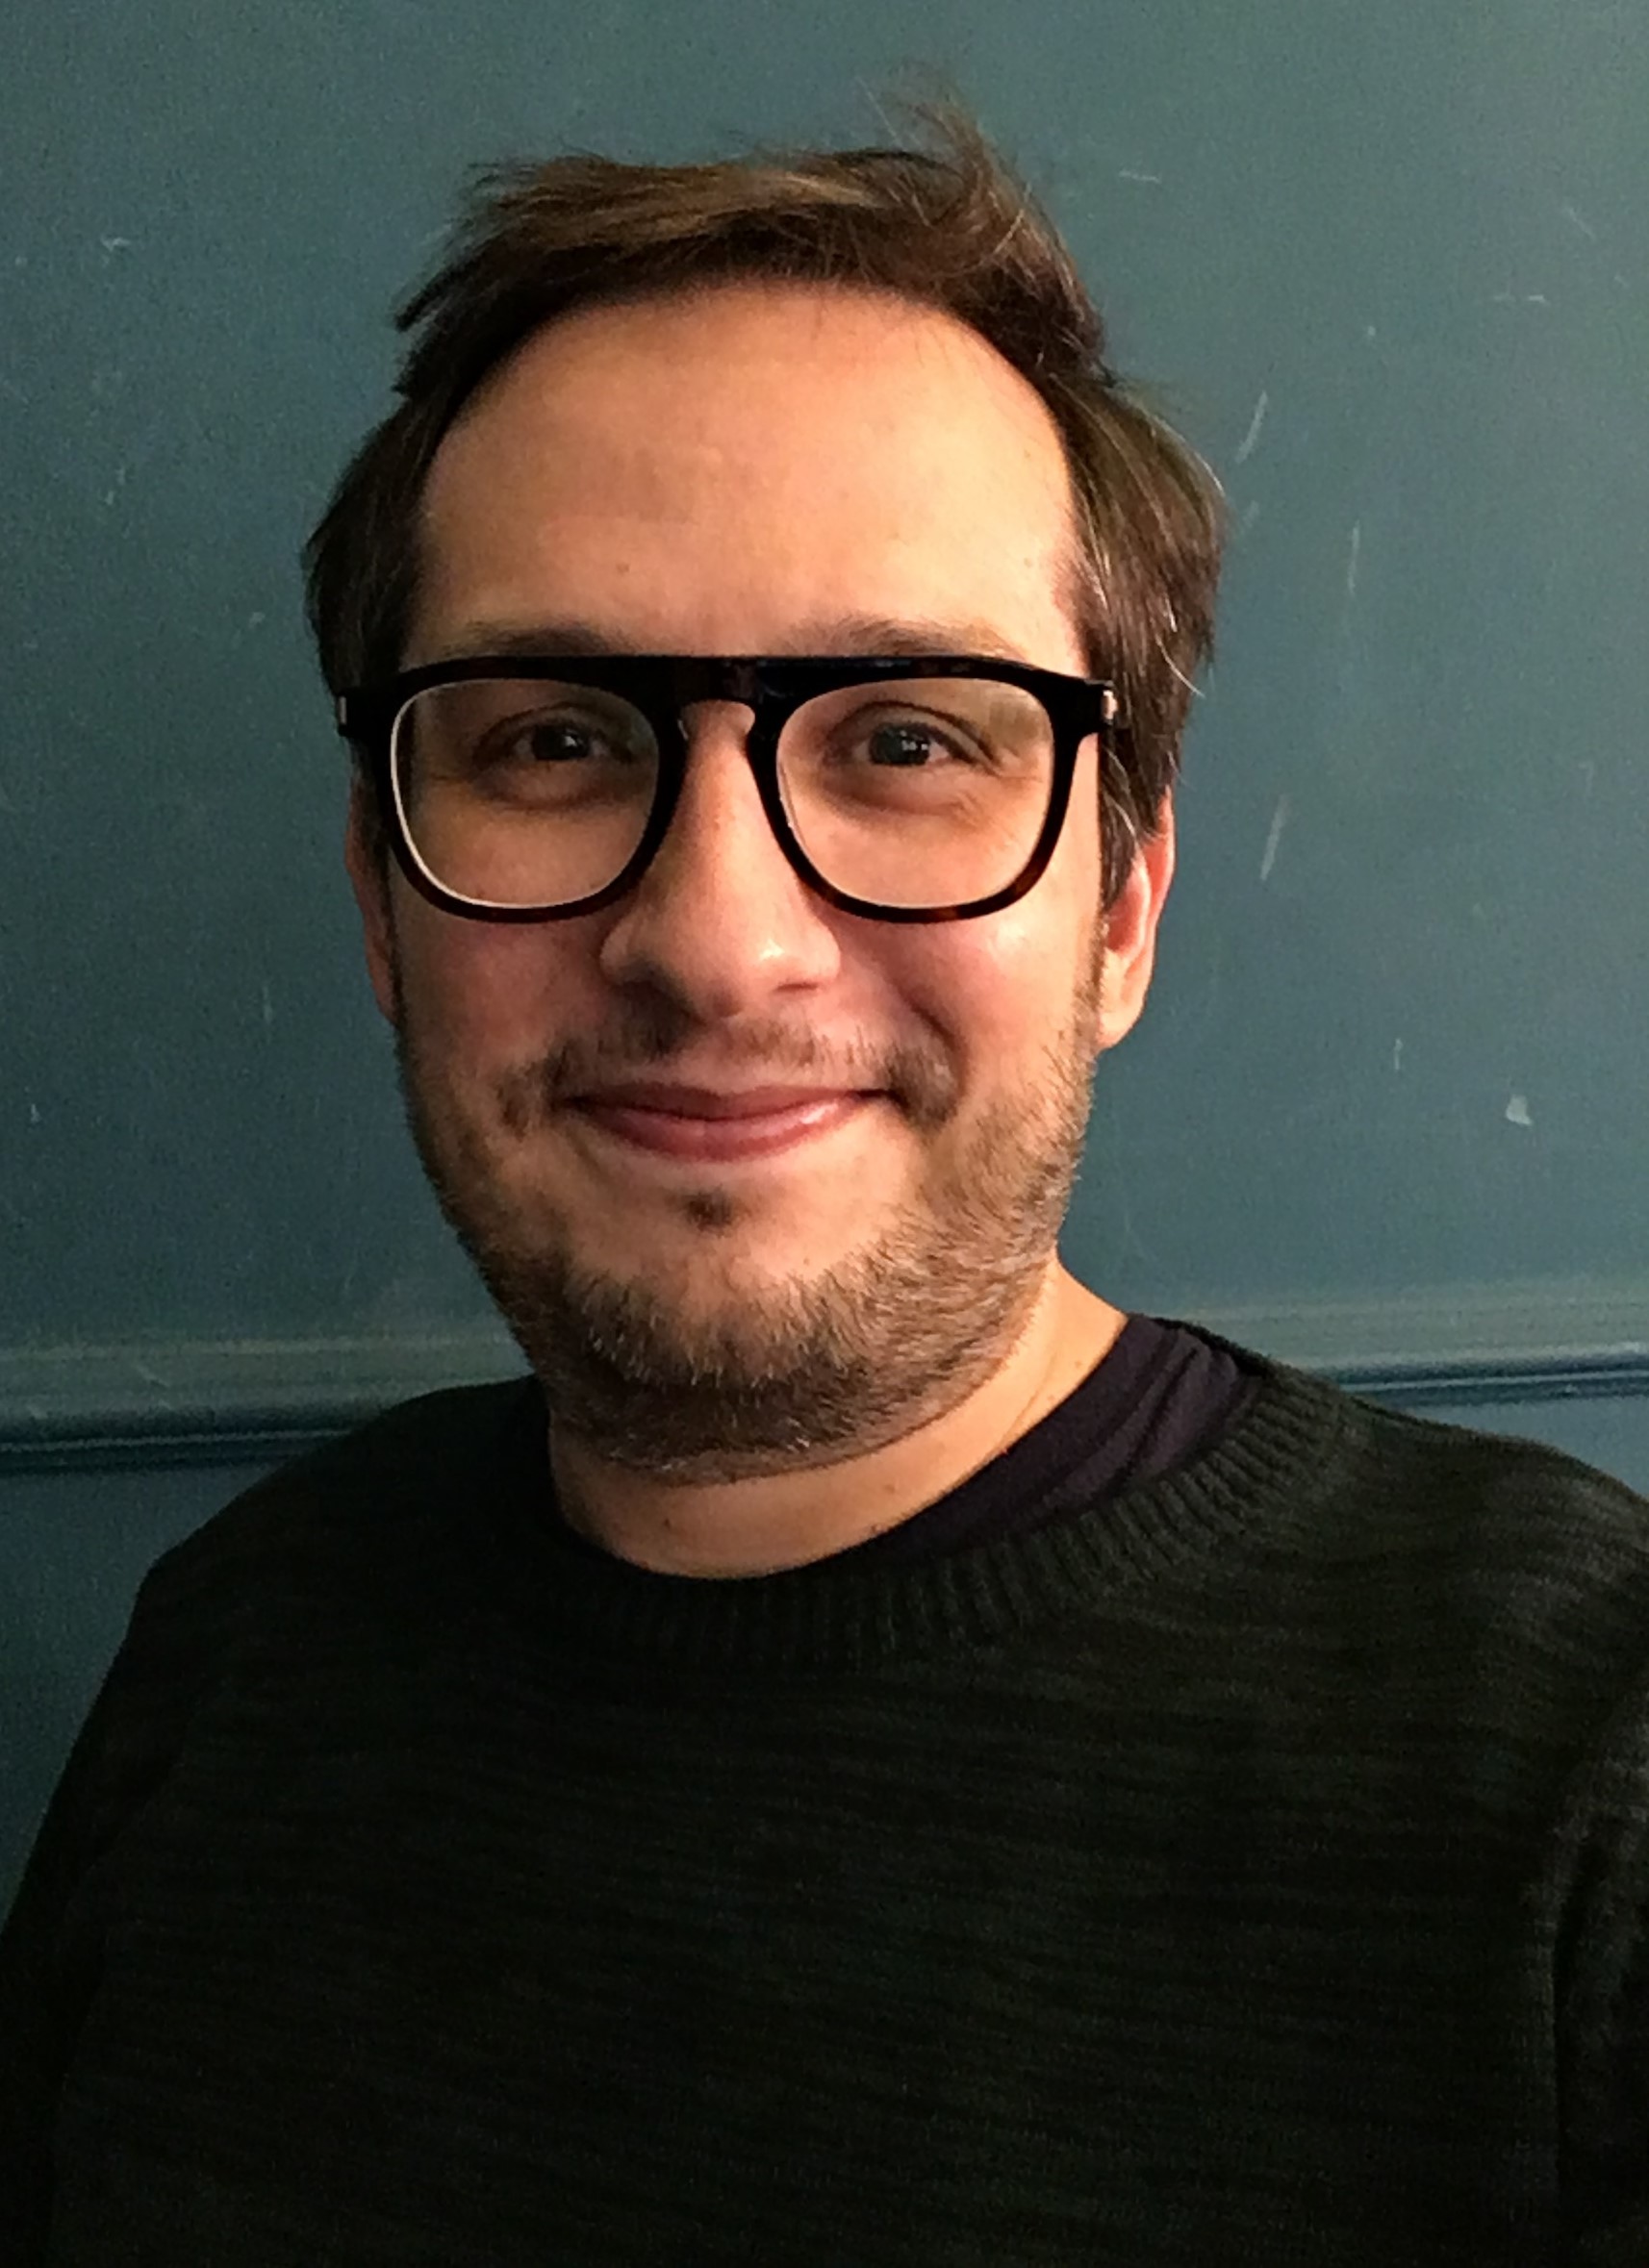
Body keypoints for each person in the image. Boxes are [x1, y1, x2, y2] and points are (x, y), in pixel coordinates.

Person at [3, 110, 1647, 2267]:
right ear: (382, 900)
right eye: (554, 738)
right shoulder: (243, 1642)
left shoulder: (1585, 1773)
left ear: (1121, 909)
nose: (715, 941)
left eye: (905, 740)